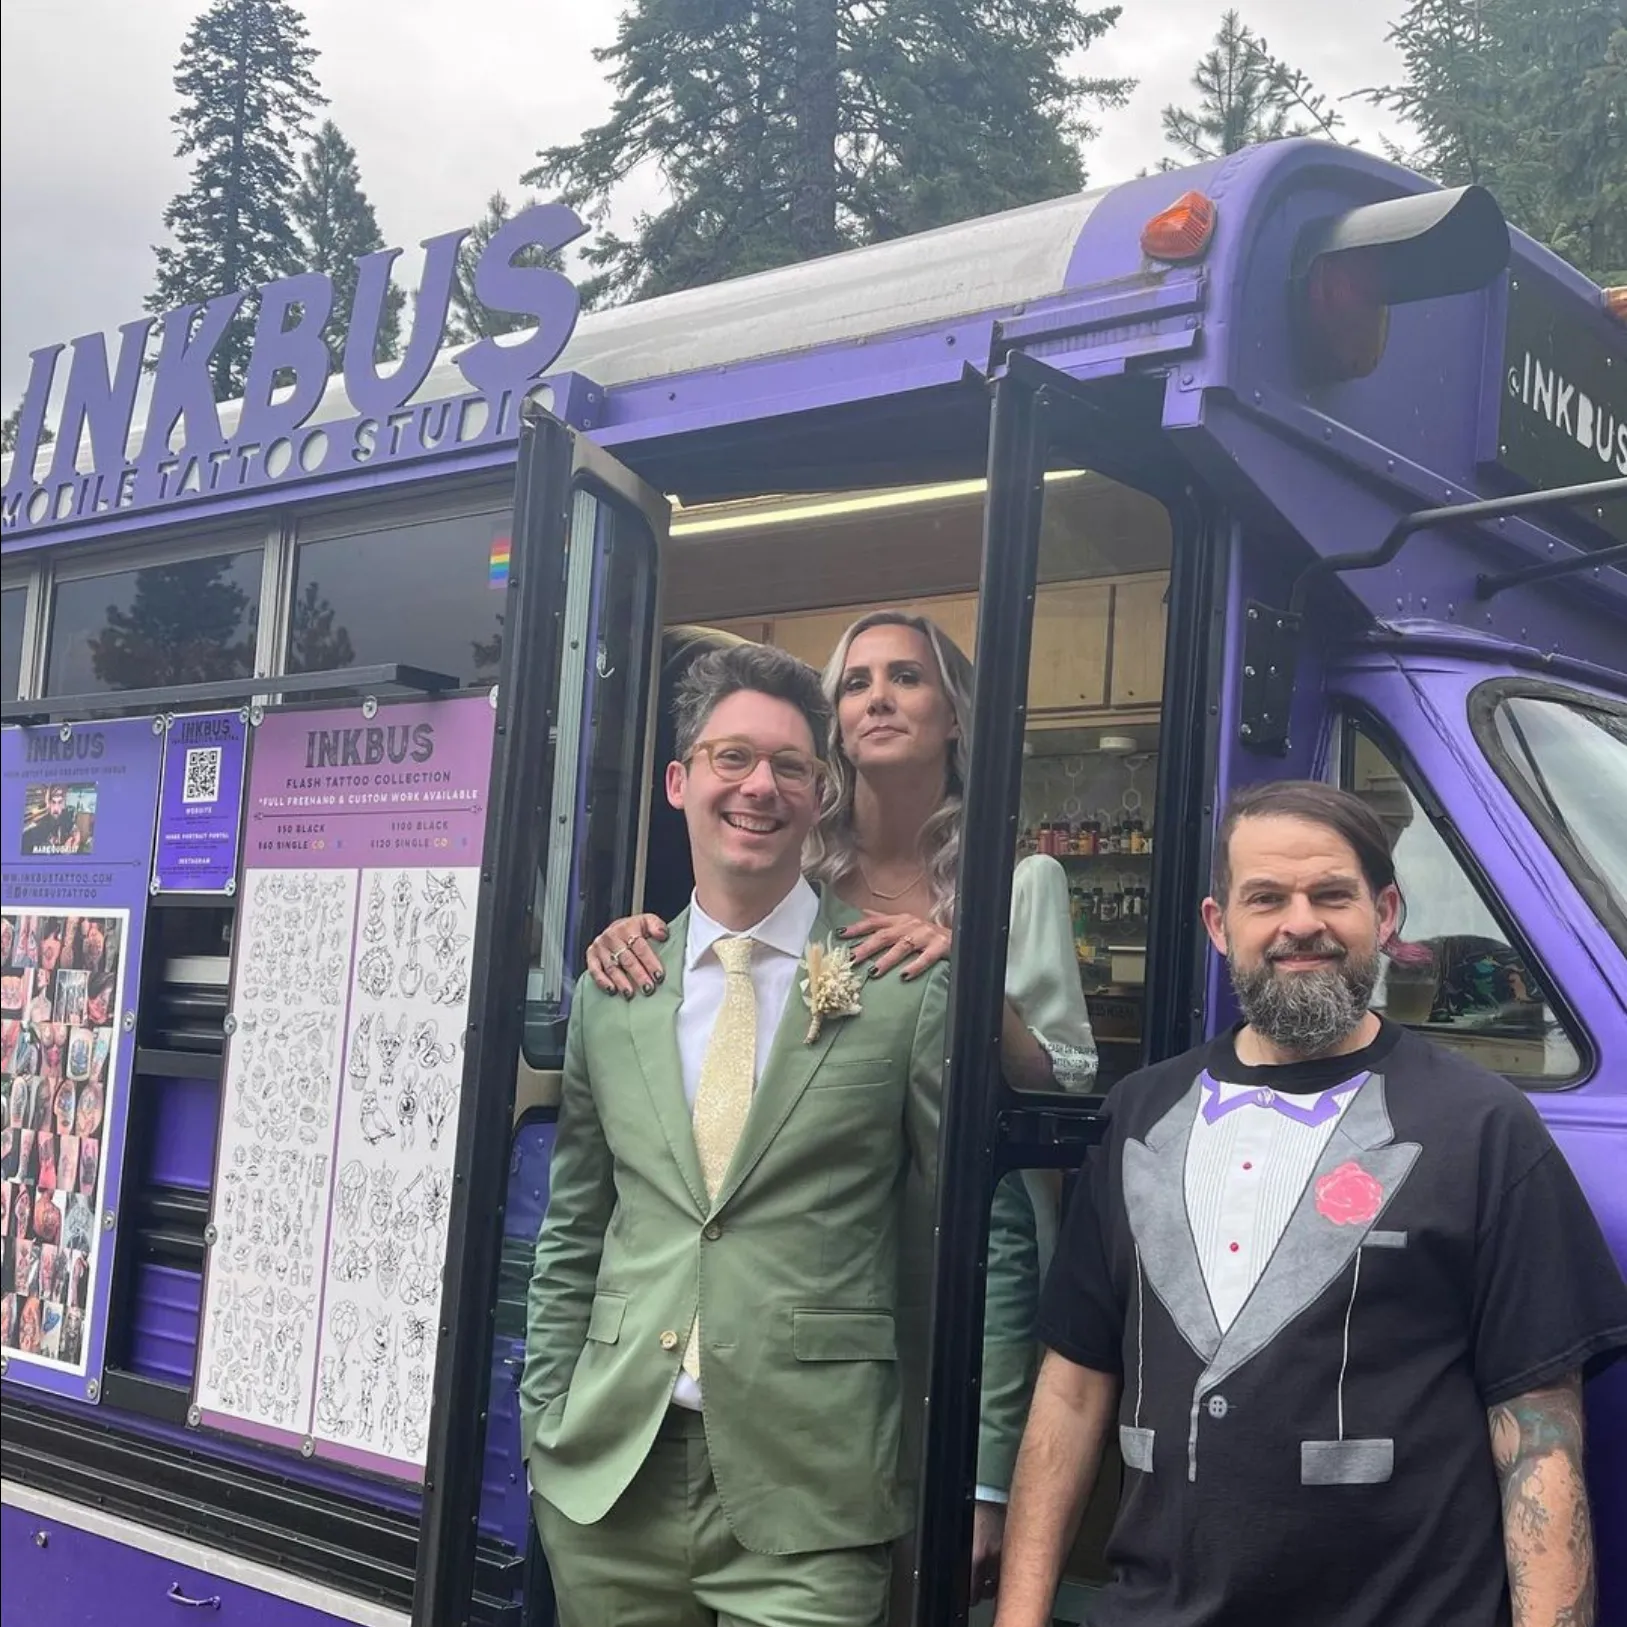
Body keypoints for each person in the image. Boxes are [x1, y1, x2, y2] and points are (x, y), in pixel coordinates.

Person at [995, 780, 1627, 1627]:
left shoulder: (1482, 1127)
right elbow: (1072, 1389)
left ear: (1385, 912)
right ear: (1220, 925)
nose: (1300, 923)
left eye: (1331, 893)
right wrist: (1019, 1614)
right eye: (1266, 898)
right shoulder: (1139, 1117)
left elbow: (1539, 1437)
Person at [586, 611, 1100, 1596]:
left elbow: (1060, 1083)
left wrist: (966, 976)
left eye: (905, 676)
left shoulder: (1016, 880)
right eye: (855, 681)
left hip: (966, 1230)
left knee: (914, 1528)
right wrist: (630, 939)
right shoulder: (796, 863)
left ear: (952, 714)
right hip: (814, 1245)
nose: (876, 697)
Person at [21, 788, 79, 855]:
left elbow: (73, 826)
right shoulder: (36, 830)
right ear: (48, 803)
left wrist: (76, 833)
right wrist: (63, 855)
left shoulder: (65, 815)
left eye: (59, 802)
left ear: (63, 804)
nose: (56, 808)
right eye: (53, 802)